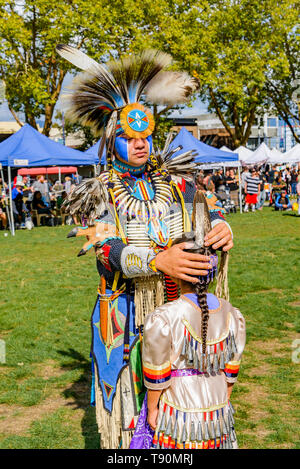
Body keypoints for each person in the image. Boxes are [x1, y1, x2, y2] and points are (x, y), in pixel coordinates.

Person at [57, 45, 233, 449]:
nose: (140, 143)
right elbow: (106, 249)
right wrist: (158, 260)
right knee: (128, 414)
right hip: (126, 316)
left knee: (180, 407)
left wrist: (223, 229)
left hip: (180, 311)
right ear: (110, 138)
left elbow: (211, 213)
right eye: (128, 136)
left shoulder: (179, 182)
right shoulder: (99, 192)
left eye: (146, 135)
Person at [130, 192, 245, 450]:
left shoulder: (164, 318)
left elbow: (157, 372)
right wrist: (222, 402)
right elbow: (231, 370)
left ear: (175, 275)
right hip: (217, 414)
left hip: (179, 414)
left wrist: (151, 409)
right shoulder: (233, 314)